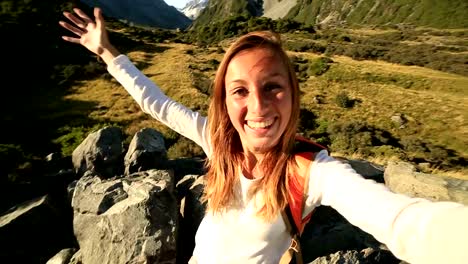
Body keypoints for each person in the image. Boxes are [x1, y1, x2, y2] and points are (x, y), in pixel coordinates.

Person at [59, 7, 468, 264]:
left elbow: (403, 221)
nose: (257, 107)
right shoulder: (219, 141)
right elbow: (159, 103)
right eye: (240, 90)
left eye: (272, 86)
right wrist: (106, 52)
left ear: (293, 94)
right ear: (225, 99)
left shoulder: (311, 171)